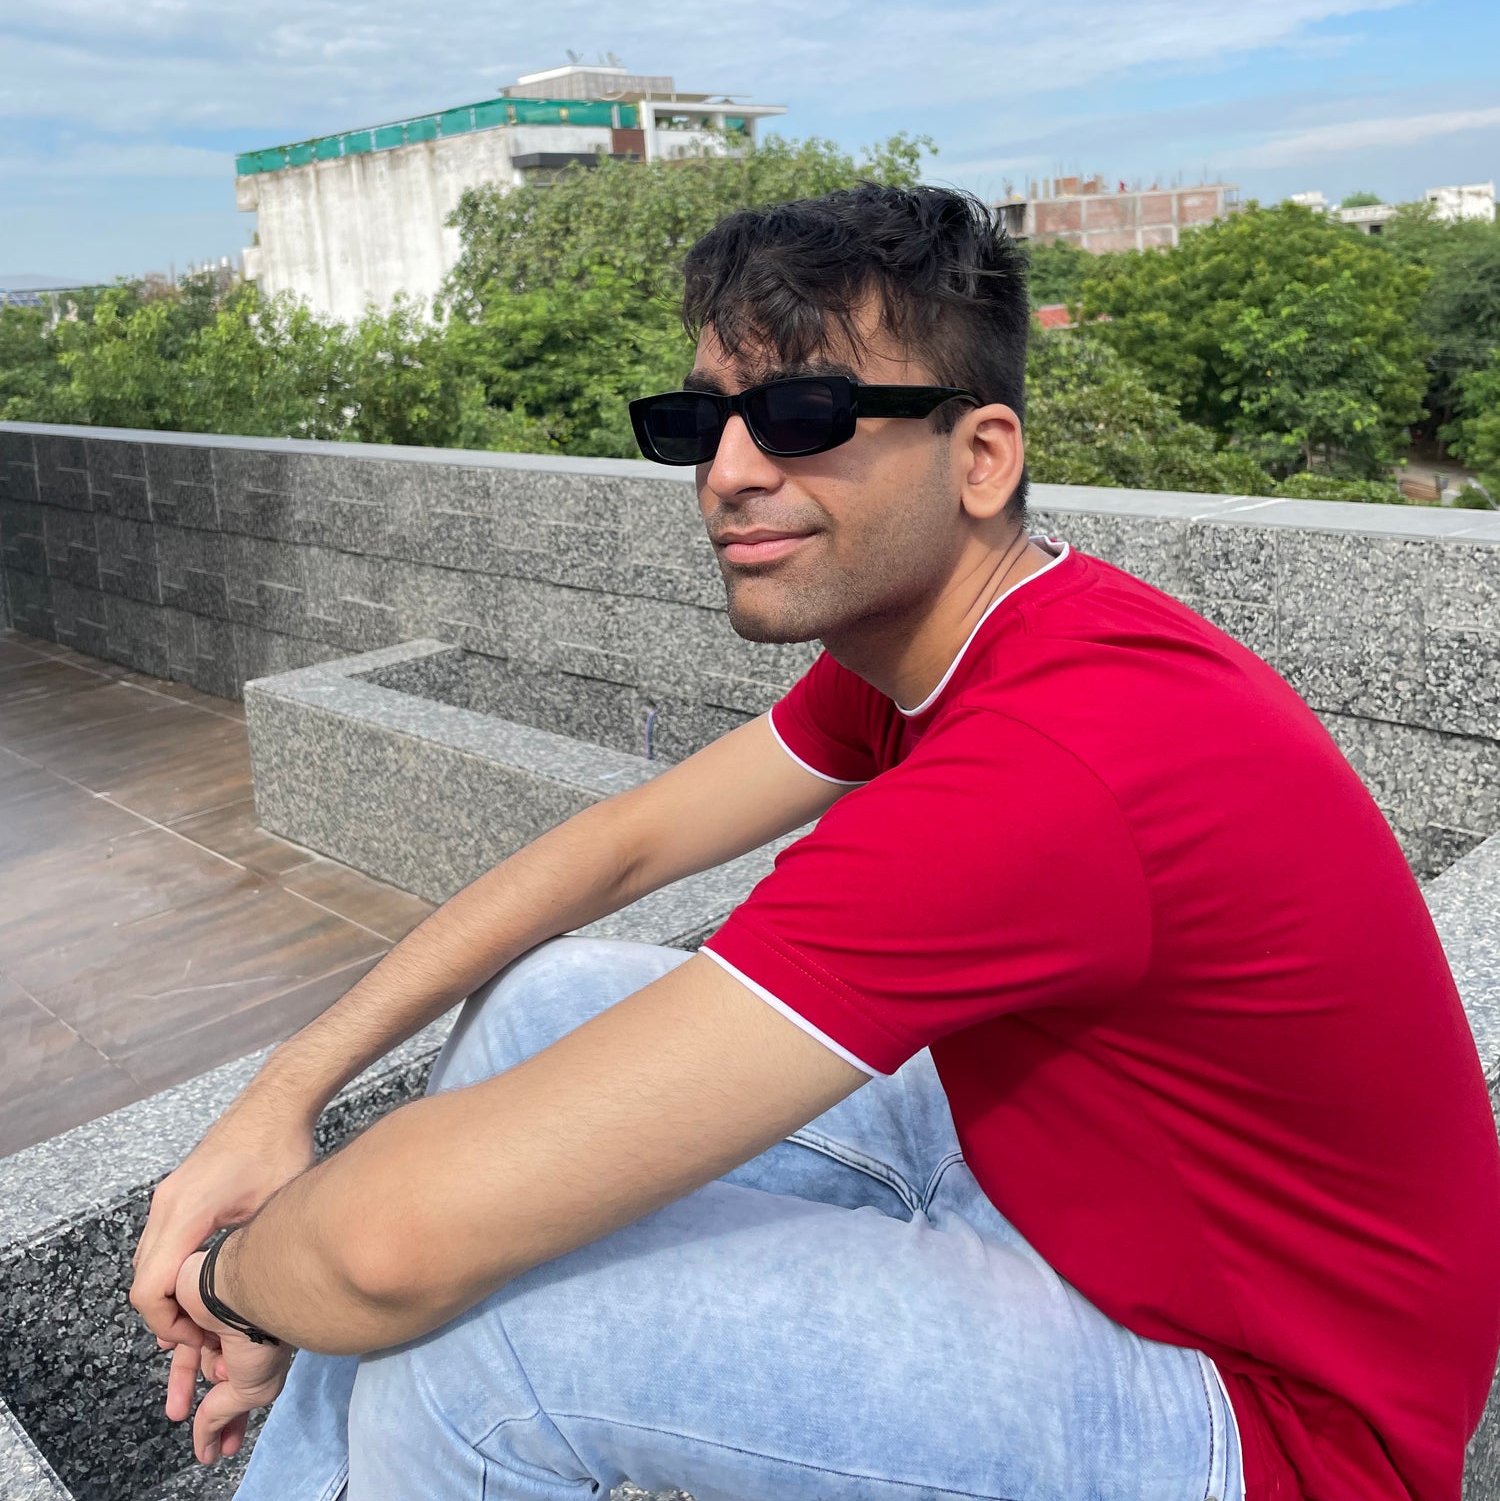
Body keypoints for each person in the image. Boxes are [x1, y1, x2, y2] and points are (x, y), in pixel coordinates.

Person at [130, 183, 1500, 1501]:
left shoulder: (1049, 764)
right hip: (1076, 1192)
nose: (731, 473)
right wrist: (281, 1096)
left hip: (1272, 1420)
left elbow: (385, 1252)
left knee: (483, 1341)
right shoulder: (958, 640)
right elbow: (623, 843)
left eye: (803, 414)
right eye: (700, 421)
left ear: (982, 457)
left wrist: (230, 1288)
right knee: (549, 1002)